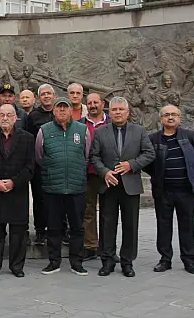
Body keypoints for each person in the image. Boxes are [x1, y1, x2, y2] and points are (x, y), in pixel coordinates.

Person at [90, 97, 155, 278]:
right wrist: (104, 172)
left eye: (121, 109)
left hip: (130, 184)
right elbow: (94, 156)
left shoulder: (139, 131)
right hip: (108, 185)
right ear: (109, 113)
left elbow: (149, 153)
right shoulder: (100, 132)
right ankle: (107, 260)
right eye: (114, 110)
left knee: (130, 224)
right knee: (107, 223)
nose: (117, 112)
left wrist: (132, 165)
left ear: (127, 112)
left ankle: (127, 261)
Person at [144, 105, 194, 274]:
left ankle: (189, 260)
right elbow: (147, 162)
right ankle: (165, 259)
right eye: (166, 115)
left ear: (180, 117)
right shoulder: (153, 139)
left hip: (185, 191)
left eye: (174, 115)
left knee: (187, 226)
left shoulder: (190, 136)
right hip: (163, 191)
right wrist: (158, 175)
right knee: (163, 226)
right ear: (160, 119)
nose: (170, 118)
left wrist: (191, 176)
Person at [36, 98, 92, 276]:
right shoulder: (44, 130)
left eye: (65, 108)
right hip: (53, 187)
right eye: (58, 108)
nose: (61, 111)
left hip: (76, 187)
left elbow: (87, 155)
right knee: (53, 227)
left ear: (71, 111)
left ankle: (77, 262)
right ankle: (54, 261)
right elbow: (39, 156)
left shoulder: (82, 130)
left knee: (77, 227)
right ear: (53, 111)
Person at [0, 104, 35, 278]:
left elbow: (30, 166)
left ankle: (17, 266)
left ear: (15, 118)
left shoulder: (27, 138)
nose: (5, 118)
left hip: (17, 191)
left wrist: (14, 182)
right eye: (1, 115)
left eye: (8, 115)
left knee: (18, 232)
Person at [26, 83, 56, 246]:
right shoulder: (33, 116)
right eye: (43, 94)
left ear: (54, 96)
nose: (46, 96)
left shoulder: (60, 111)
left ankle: (58, 229)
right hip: (39, 165)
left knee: (58, 198)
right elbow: (30, 140)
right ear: (38, 98)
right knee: (39, 198)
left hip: (57, 164)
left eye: (49, 94)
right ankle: (40, 231)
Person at [80, 93, 108, 261]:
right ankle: (91, 245)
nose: (92, 105)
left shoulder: (110, 122)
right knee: (87, 210)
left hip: (107, 174)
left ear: (102, 104)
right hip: (87, 174)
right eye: (89, 103)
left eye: (95, 102)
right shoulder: (80, 124)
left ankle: (107, 247)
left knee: (107, 212)